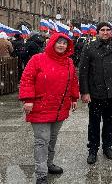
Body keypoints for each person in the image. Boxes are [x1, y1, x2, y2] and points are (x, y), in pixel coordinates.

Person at [19, 33, 79, 184]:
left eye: (64, 43)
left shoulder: (69, 62)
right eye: (58, 42)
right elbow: (27, 79)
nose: (61, 45)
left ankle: (49, 163)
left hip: (59, 107)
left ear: (68, 46)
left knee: (52, 139)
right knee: (42, 140)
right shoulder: (37, 59)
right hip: (40, 106)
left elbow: (72, 81)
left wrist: (74, 97)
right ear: (51, 43)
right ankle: (41, 173)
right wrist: (28, 99)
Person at [79, 22, 112, 164]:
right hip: (95, 91)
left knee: (109, 121)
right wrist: (85, 91)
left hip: (111, 91)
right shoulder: (89, 47)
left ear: (111, 32)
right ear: (98, 32)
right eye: (102, 30)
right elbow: (83, 71)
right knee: (94, 122)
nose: (105, 32)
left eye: (108, 30)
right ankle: (93, 149)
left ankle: (107, 146)